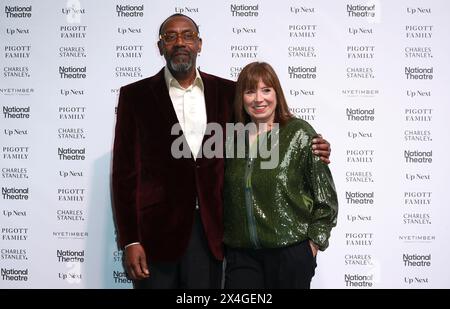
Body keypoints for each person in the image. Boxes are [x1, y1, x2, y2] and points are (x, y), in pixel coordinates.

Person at [112, 14, 331, 289]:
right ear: (160, 47)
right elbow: (124, 174)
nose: (180, 42)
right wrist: (131, 239)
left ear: (199, 44)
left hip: (211, 235)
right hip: (156, 236)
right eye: (171, 36)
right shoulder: (136, 96)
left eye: (188, 35)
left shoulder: (228, 93)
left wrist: (311, 144)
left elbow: (267, 129)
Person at [223, 62, 338, 289]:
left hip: (290, 253)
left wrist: (313, 245)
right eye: (250, 91)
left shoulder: (298, 133)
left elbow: (326, 197)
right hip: (242, 254)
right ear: (241, 97)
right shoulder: (231, 138)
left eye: (266, 90)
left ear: (277, 93)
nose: (259, 99)